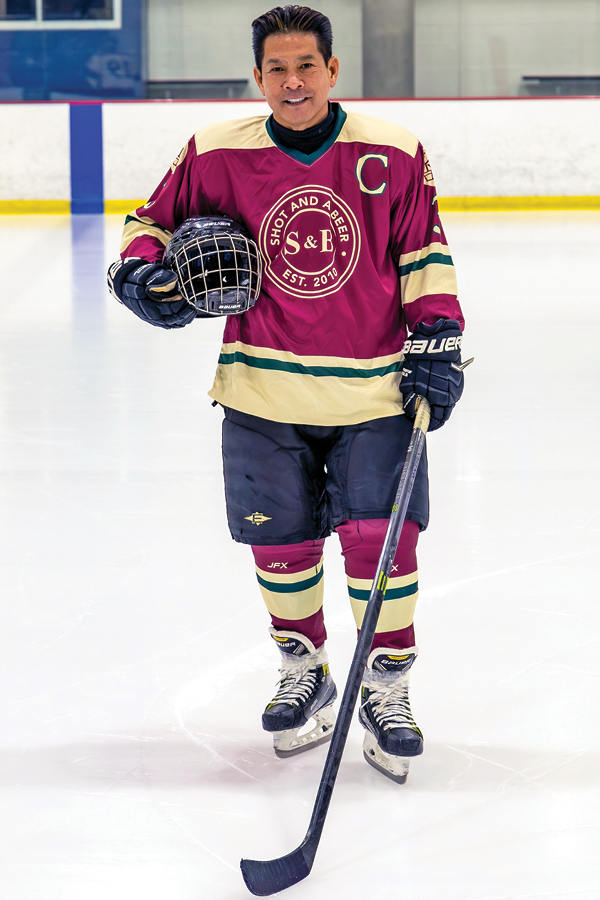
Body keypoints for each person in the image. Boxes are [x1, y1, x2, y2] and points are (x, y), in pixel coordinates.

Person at [107, 4, 466, 784]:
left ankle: (386, 685)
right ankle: (305, 669)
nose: (293, 82)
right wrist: (139, 272)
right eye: (277, 69)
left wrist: (438, 339)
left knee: (383, 546)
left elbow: (424, 252)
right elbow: (150, 224)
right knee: (280, 546)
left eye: (307, 66)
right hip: (261, 389)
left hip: (373, 394)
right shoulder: (214, 152)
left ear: (333, 71)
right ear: (259, 76)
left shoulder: (393, 153)